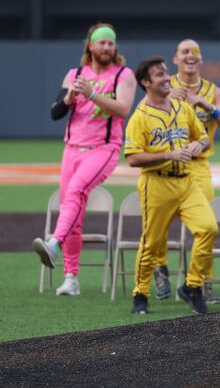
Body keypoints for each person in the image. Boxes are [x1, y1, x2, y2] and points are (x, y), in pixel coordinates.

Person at [33, 23, 136, 296]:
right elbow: (55, 113)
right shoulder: (75, 74)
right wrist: (69, 97)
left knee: (76, 191)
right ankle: (71, 278)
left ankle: (53, 243)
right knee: (73, 210)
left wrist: (92, 94)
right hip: (71, 149)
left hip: (103, 148)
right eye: (101, 43)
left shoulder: (123, 75)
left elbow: (124, 109)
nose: (107, 48)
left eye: (110, 43)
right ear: (90, 45)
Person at [123, 57, 219, 315]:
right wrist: (168, 155)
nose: (167, 77)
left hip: (187, 183)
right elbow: (132, 157)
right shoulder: (140, 117)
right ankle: (140, 294)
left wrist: (198, 145)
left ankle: (192, 285)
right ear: (146, 82)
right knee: (152, 243)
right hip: (157, 184)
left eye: (166, 73)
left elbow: (202, 137)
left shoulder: (182, 107)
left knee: (208, 228)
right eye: (159, 75)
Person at [149, 39, 220, 305]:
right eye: (184, 52)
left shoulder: (212, 91)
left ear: (200, 60)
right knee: (159, 222)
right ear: (175, 59)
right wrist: (166, 100)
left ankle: (202, 283)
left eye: (194, 53)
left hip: (198, 165)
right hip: (167, 164)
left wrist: (206, 105)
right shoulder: (165, 86)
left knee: (206, 224)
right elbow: (145, 117)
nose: (190, 56)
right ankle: (160, 268)